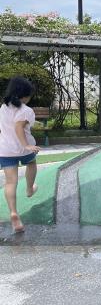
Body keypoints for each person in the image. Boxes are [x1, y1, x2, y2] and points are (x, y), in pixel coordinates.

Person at [0, 77, 41, 233]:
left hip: (5, 150)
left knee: (10, 182)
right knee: (31, 164)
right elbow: (18, 128)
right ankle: (30, 188)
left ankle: (13, 213)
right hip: (23, 149)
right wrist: (27, 145)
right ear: (25, 95)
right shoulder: (26, 110)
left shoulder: (3, 108)